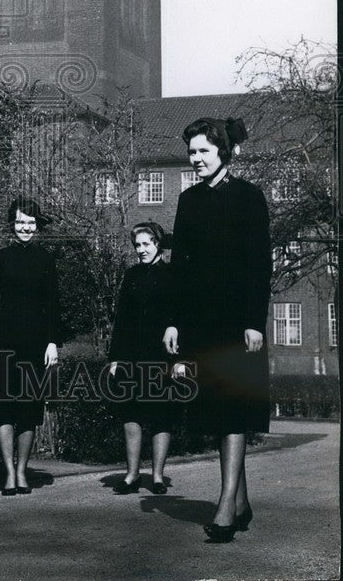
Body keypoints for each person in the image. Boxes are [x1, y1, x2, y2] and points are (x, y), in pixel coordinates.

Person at [163, 117, 271, 543]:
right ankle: (240, 501)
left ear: (223, 152)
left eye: (204, 151)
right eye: (192, 152)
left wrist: (253, 321)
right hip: (200, 322)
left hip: (236, 321)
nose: (196, 159)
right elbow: (180, 267)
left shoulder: (248, 197)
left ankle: (225, 506)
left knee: (232, 409)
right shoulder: (188, 201)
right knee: (217, 412)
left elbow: (259, 264)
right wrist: (173, 319)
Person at [0, 196, 60, 495]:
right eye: (21, 222)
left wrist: (52, 342)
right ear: (12, 225)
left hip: (35, 344)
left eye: (31, 223)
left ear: (37, 226)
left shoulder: (46, 260)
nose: (25, 228)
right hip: (2, 342)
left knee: (28, 409)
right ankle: (9, 473)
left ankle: (23, 471)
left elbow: (53, 305)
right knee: (3, 407)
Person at [108, 221, 177, 495]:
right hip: (132, 355)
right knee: (131, 413)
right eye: (137, 245)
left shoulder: (173, 275)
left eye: (146, 244)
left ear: (158, 244)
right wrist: (115, 359)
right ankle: (132, 475)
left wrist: (179, 360)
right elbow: (121, 320)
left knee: (161, 415)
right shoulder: (132, 275)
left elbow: (180, 317)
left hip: (162, 355)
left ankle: (157, 476)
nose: (141, 250)